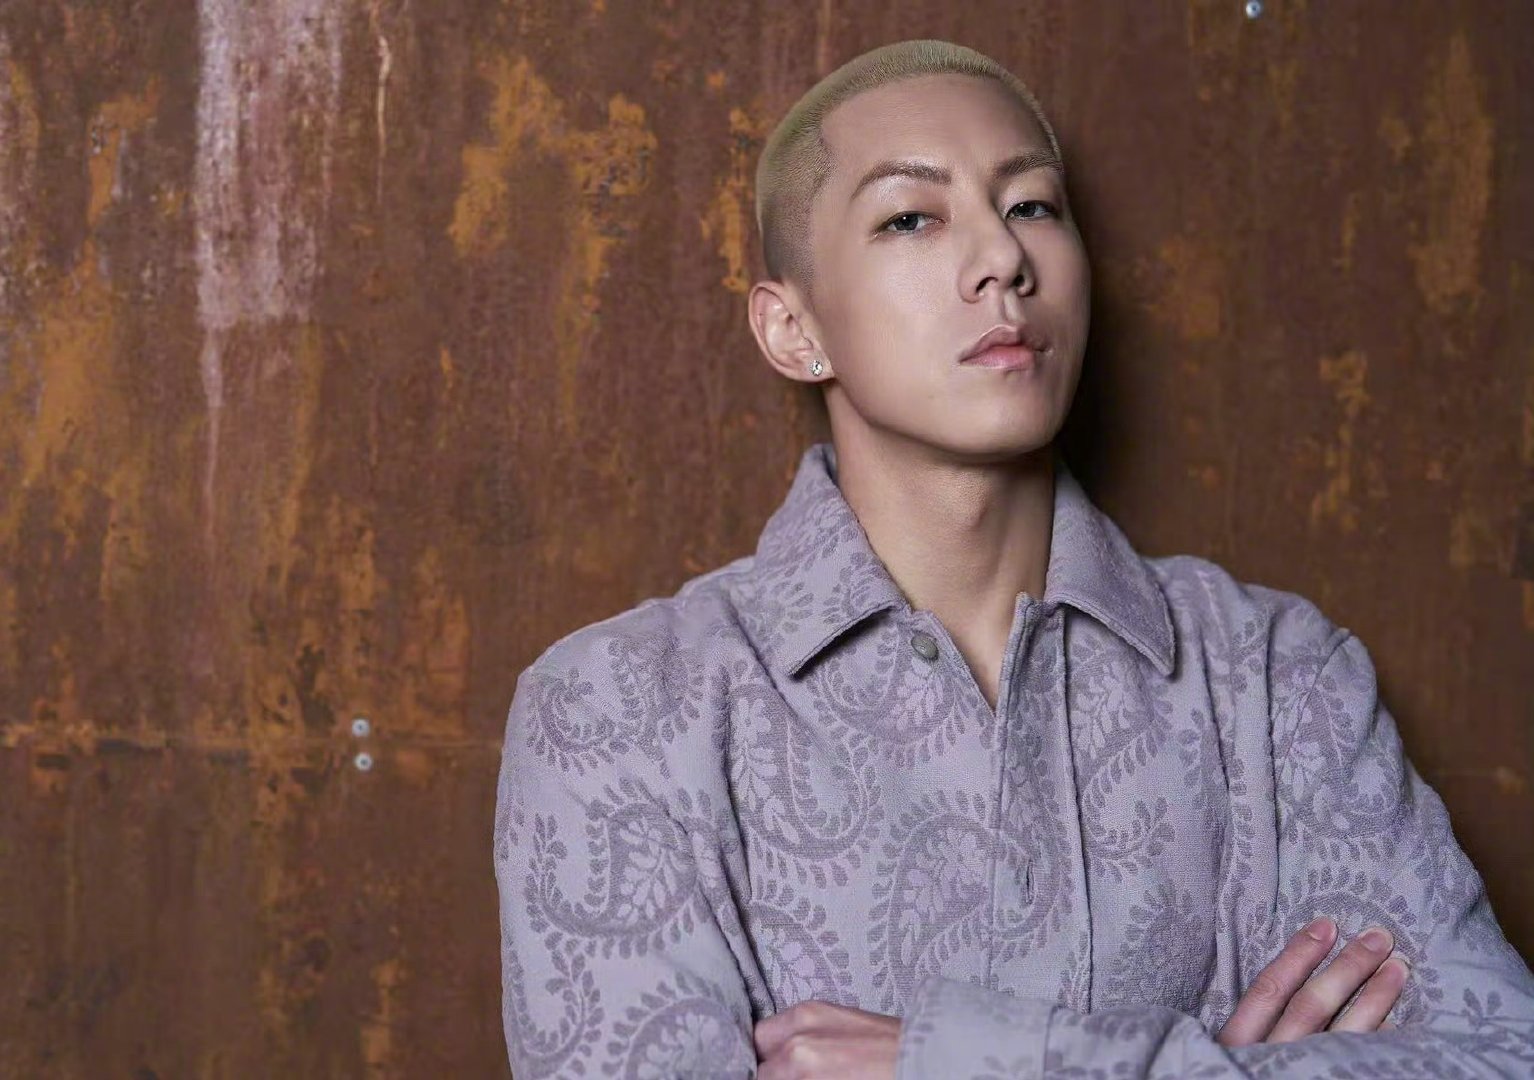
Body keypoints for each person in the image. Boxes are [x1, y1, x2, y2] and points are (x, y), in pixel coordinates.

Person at [493, 38, 1534, 1078]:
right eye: (911, 217)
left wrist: (991, 1062)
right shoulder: (619, 711)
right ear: (794, 329)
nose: (1003, 258)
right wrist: (1219, 1065)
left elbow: (1500, 1057)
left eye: (1032, 205)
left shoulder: (1274, 676)